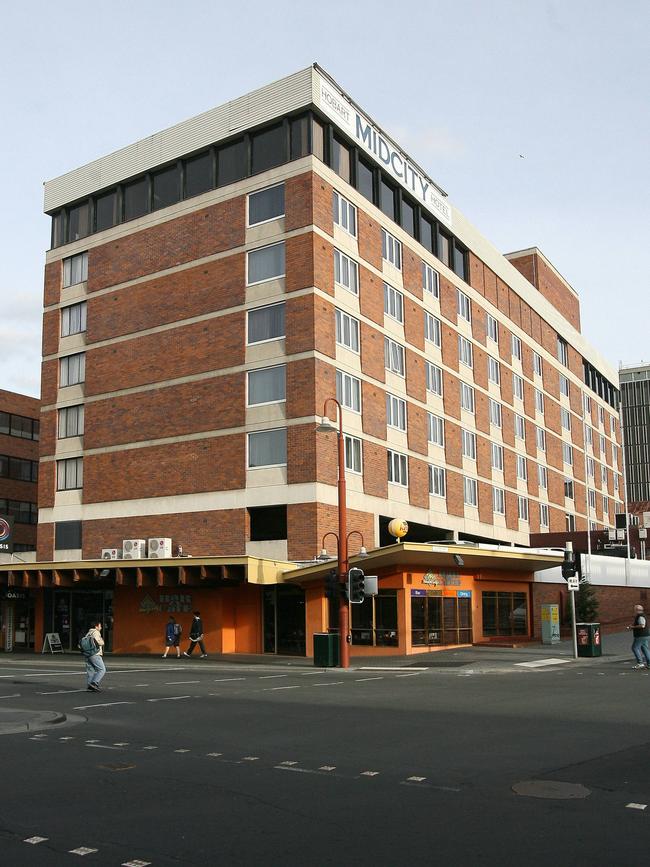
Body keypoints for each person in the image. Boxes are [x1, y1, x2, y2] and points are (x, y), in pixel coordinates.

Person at [82, 620, 106, 691]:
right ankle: (94, 683)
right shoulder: (96, 632)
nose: (101, 627)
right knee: (102, 669)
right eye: (100, 626)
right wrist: (102, 641)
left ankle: (89, 686)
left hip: (87, 654)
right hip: (95, 654)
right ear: (96, 626)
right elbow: (100, 642)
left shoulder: (89, 633)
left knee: (90, 671)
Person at [626, 604, 650, 669]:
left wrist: (632, 627)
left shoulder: (640, 616)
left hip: (641, 635)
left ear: (637, 610)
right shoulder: (642, 616)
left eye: (634, 610)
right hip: (645, 635)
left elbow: (642, 625)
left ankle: (640, 663)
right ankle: (649, 664)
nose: (634, 611)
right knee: (645, 649)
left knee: (634, 648)